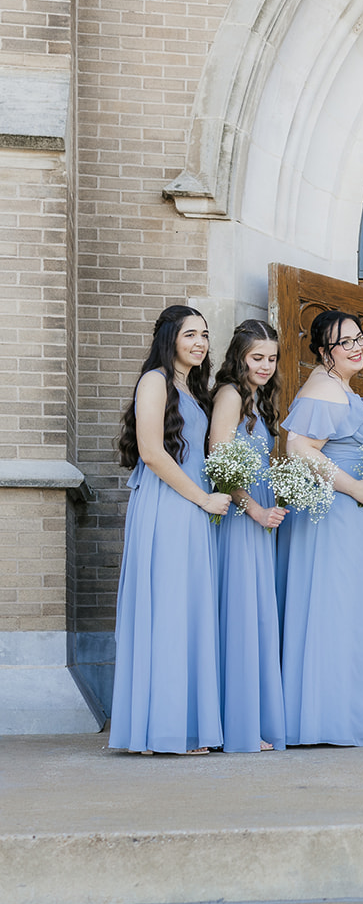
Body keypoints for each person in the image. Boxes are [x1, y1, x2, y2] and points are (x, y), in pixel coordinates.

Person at [109, 305, 229, 754]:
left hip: (192, 507)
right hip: (170, 506)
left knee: (187, 610)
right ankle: (162, 729)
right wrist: (202, 498)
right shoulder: (155, 381)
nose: (199, 343)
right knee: (170, 609)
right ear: (169, 339)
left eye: (204, 335)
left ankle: (182, 724)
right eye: (190, 334)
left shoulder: (189, 388)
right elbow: (152, 453)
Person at [279, 309, 363, 746]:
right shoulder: (325, 387)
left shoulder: (342, 387)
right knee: (339, 607)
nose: (357, 346)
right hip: (341, 514)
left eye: (360, 338)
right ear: (324, 350)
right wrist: (355, 489)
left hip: (355, 518)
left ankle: (344, 714)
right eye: (345, 342)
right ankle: (329, 719)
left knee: (351, 610)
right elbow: (299, 446)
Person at [209, 319, 288, 753]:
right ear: (239, 356)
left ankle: (250, 719)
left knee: (257, 618)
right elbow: (218, 463)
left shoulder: (259, 400)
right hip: (239, 517)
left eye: (272, 358)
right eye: (257, 357)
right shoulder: (229, 395)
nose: (265, 365)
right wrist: (253, 506)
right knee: (239, 616)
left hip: (259, 515)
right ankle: (235, 726)